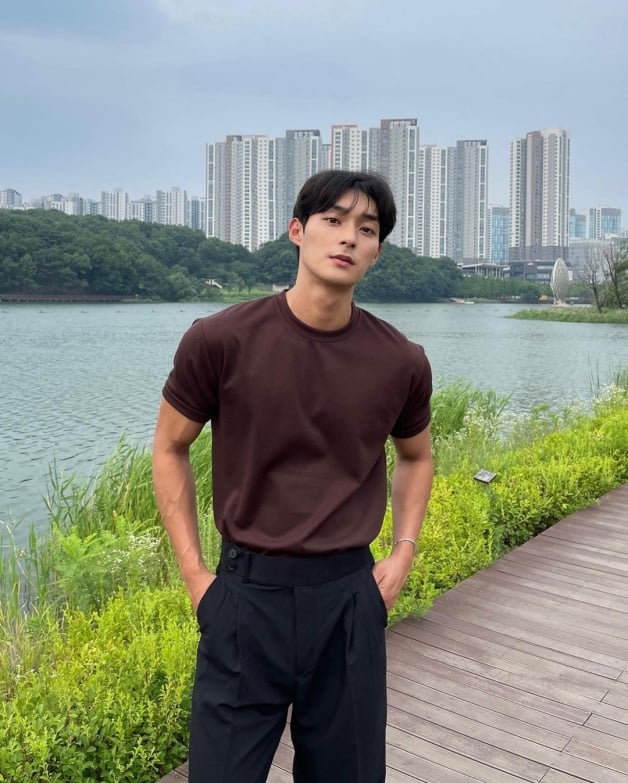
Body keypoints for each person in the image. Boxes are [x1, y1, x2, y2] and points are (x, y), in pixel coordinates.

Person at [152, 169, 433, 783]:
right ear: (297, 231)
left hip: (349, 600)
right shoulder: (220, 340)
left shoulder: (400, 360)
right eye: (333, 220)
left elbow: (416, 456)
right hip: (245, 597)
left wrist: (403, 552)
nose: (349, 237)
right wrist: (197, 577)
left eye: (367, 229)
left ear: (378, 251)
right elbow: (170, 447)